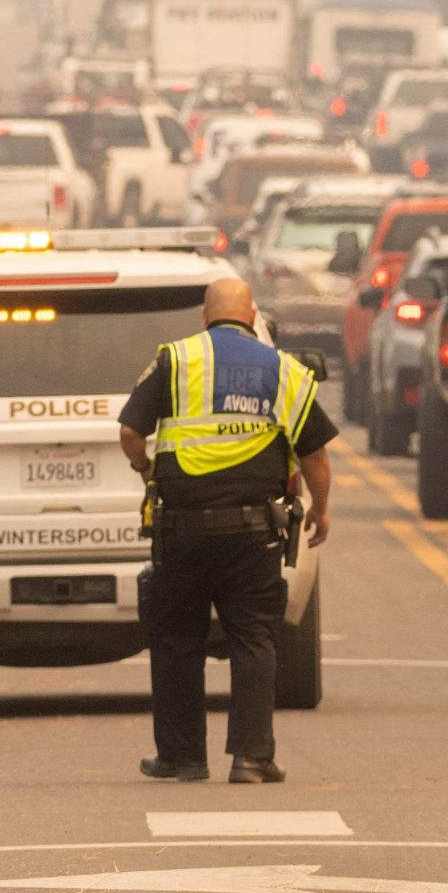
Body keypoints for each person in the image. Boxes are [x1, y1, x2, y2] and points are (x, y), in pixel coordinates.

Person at [117, 276, 335, 784]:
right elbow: (316, 455)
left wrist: (145, 470)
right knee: (254, 639)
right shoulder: (286, 370)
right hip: (253, 532)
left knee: (176, 640)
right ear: (253, 314)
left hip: (182, 532)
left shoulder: (175, 360)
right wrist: (321, 510)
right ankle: (252, 758)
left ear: (204, 317)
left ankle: (182, 757)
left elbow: (131, 433)